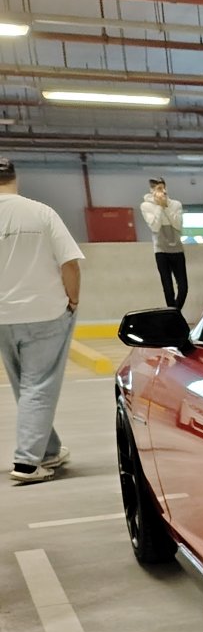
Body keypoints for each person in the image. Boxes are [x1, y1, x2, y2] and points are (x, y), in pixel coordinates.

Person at [0, 157, 83, 484]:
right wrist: (72, 300)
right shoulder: (40, 212)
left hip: (2, 317)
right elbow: (70, 264)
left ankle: (49, 450)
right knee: (39, 385)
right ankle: (26, 463)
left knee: (26, 385)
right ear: (15, 178)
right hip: (45, 312)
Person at [141, 177, 187, 312]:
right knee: (168, 288)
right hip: (161, 251)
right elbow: (154, 227)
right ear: (152, 191)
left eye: (162, 188)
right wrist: (159, 207)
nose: (162, 191)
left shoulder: (176, 204)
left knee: (183, 287)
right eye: (158, 189)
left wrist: (165, 206)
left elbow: (178, 225)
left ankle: (175, 312)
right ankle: (173, 316)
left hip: (177, 249)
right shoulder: (146, 206)